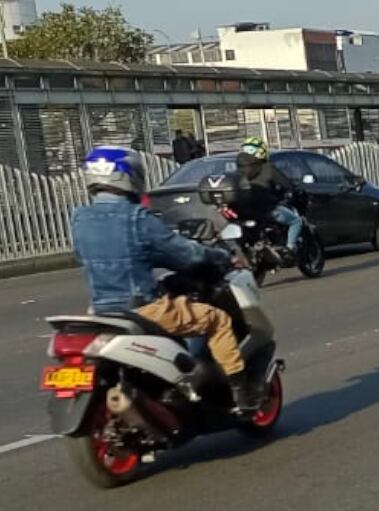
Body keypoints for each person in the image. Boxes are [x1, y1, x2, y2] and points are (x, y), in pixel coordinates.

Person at [69, 146, 260, 410]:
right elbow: (186, 254)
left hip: (101, 310)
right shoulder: (137, 217)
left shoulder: (79, 218)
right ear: (129, 176)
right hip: (144, 309)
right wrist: (220, 257)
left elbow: (90, 255)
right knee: (218, 320)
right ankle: (242, 394)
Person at [233, 137, 306, 256]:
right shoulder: (267, 167)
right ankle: (290, 248)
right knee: (296, 221)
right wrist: (291, 190)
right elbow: (286, 184)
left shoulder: (238, 170)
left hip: (245, 211)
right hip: (267, 209)